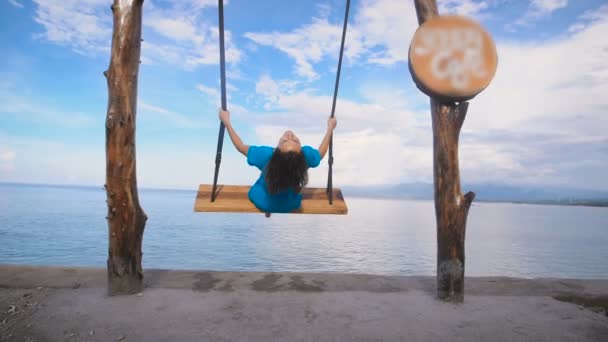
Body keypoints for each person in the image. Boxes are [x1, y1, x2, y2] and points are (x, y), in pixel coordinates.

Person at [218, 109, 337, 216]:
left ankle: (268, 211)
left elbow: (240, 146)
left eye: (286, 140)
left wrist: (227, 122)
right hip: (289, 204)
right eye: (293, 140)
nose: (290, 135)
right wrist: (330, 128)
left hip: (264, 202)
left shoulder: (266, 155)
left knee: (260, 192)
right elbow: (320, 154)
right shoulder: (305, 156)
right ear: (301, 153)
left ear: (276, 151)